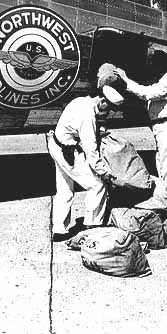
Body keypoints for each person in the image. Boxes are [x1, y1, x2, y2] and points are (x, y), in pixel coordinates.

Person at [47, 85, 124, 242]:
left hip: (56, 145)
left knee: (65, 189)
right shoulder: (87, 115)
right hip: (66, 152)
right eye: (109, 107)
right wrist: (104, 173)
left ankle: (59, 229)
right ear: (102, 100)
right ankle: (92, 226)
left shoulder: (81, 101)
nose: (108, 112)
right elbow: (91, 150)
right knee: (97, 185)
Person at [114, 50, 167, 182]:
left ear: (161, 66)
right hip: (161, 127)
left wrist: (126, 79)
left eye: (154, 64)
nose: (151, 67)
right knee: (162, 163)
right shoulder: (161, 80)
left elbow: (146, 93)